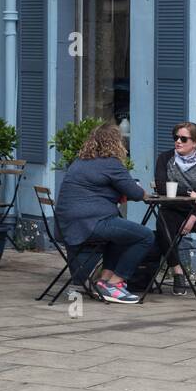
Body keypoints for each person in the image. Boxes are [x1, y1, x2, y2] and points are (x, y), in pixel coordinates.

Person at [54, 122, 151, 304]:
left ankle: (103, 281)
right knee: (145, 236)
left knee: (121, 235)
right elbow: (136, 193)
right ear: (115, 143)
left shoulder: (79, 162)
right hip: (90, 223)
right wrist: (145, 193)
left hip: (68, 224)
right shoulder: (111, 164)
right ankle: (115, 283)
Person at [133, 121, 196, 297]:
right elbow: (161, 187)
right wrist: (189, 192)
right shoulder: (165, 158)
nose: (178, 141)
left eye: (184, 139)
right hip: (172, 208)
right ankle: (178, 272)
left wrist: (192, 218)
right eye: (175, 137)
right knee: (163, 227)